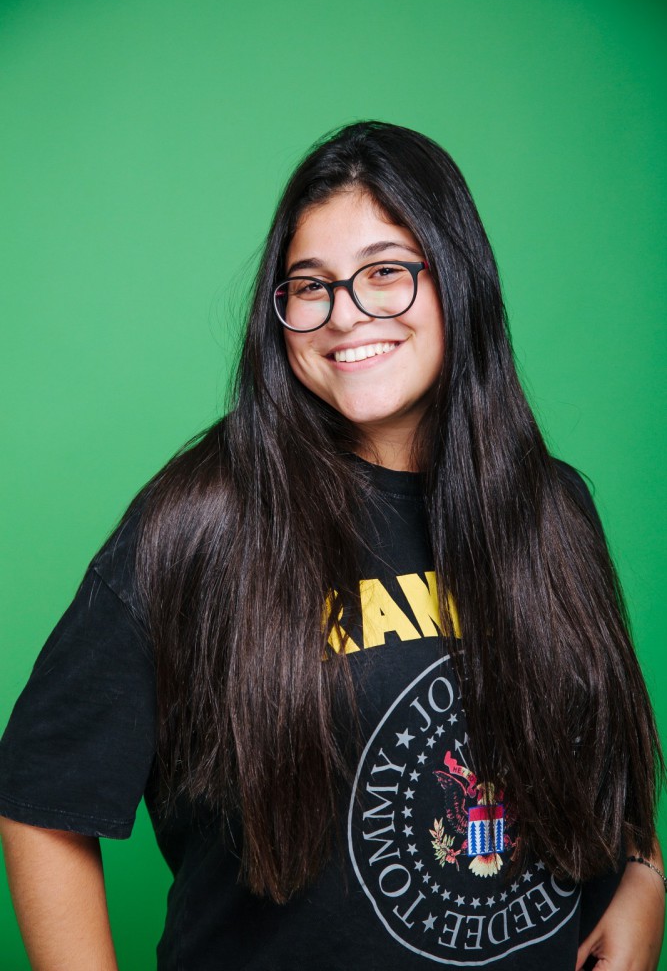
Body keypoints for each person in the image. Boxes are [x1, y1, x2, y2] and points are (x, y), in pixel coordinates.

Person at [0, 121, 664, 970]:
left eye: (385, 272)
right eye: (311, 286)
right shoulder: (202, 521)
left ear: (457, 277)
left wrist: (644, 876)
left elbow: (600, 742)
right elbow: (42, 793)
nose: (345, 315)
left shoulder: (551, 506)